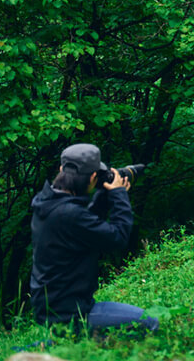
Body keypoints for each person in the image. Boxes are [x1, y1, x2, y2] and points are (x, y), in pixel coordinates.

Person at [29, 143, 158, 334]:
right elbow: (118, 238)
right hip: (72, 313)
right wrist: (119, 194)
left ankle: (66, 340)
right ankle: (76, 340)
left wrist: (104, 197)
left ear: (61, 169)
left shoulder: (47, 202)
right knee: (150, 323)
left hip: (52, 307)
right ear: (92, 177)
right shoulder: (69, 214)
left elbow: (86, 227)